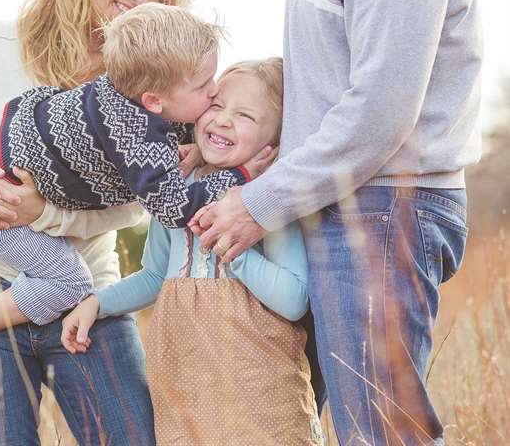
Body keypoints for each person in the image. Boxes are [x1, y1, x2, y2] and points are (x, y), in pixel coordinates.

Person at [0, 3, 275, 407]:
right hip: (1, 198)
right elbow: (173, 205)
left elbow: (168, 129)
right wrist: (237, 176)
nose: (213, 92)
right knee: (68, 280)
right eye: (203, 85)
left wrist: (193, 146)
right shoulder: (139, 137)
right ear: (155, 101)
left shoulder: (122, 85)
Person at [190, 0, 482, 444]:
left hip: (381, 203)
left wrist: (261, 203)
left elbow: (381, 111)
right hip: (332, 199)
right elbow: (323, 90)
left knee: (379, 432)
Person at [62, 58, 324, 445]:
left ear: (272, 145)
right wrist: (97, 303)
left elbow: (293, 299)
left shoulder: (265, 199)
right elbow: (155, 276)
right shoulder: (177, 190)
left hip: (260, 391)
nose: (222, 120)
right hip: (184, 393)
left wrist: (233, 248)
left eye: (245, 115)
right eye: (216, 106)